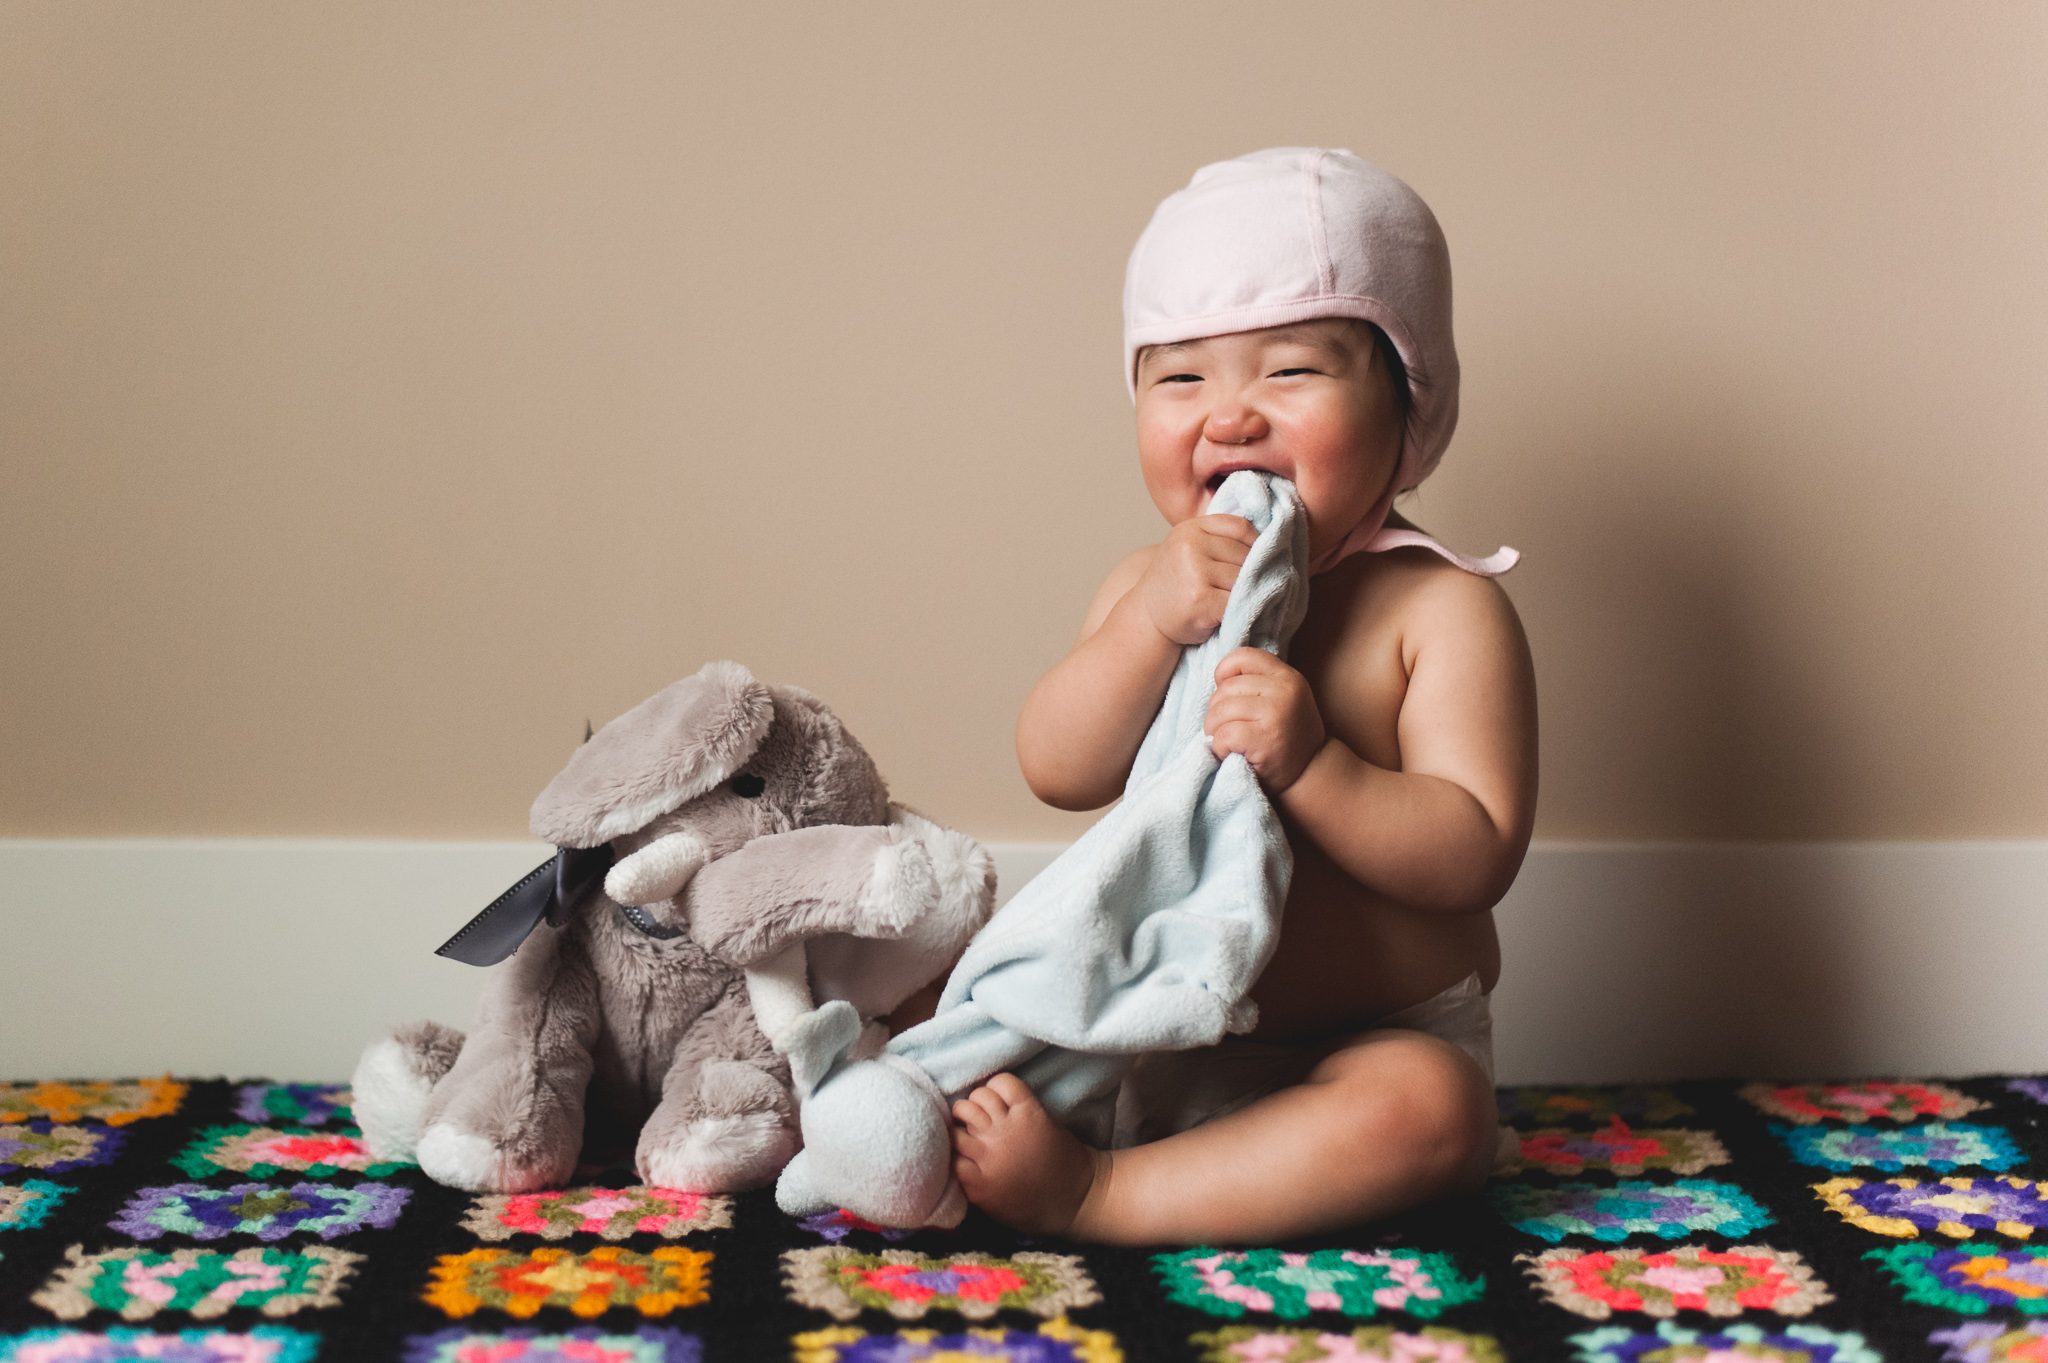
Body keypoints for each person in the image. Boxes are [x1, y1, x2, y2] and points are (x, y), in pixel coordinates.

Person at [947, 148, 1537, 1246]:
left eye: (1291, 373)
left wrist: (1315, 767)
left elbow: (1476, 849)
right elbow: (1055, 765)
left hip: (1365, 1043)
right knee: (959, 985)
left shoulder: (1437, 609)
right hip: (1153, 1025)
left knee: (1433, 1112)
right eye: (1180, 379)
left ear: (1402, 408)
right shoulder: (1146, 585)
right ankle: (860, 1106)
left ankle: (1101, 1193)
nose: (1229, 416)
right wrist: (1142, 628)